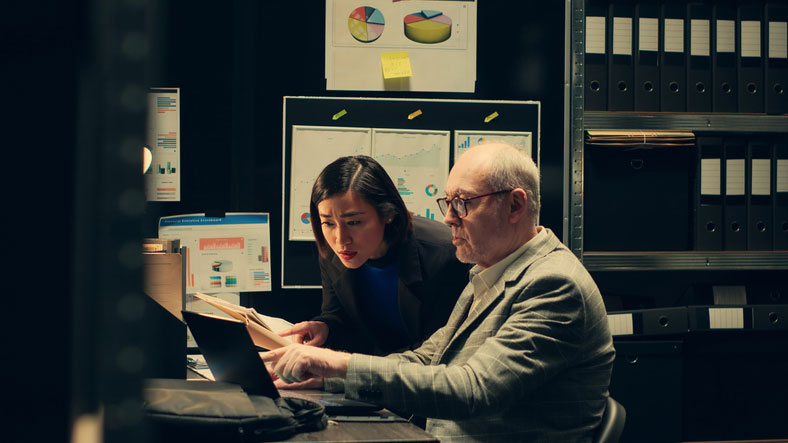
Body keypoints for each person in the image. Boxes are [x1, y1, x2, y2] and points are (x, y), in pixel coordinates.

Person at [263, 143, 615, 442]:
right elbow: (426, 358)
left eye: (463, 203)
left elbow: (472, 390)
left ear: (515, 206)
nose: (448, 218)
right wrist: (327, 378)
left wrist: (337, 363)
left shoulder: (553, 285)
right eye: (448, 202)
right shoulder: (490, 274)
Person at [279, 155, 469, 360]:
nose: (341, 239)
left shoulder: (444, 255)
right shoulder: (333, 250)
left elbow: (439, 349)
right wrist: (325, 328)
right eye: (328, 223)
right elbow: (340, 318)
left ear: (388, 214)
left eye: (353, 222)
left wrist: (351, 370)